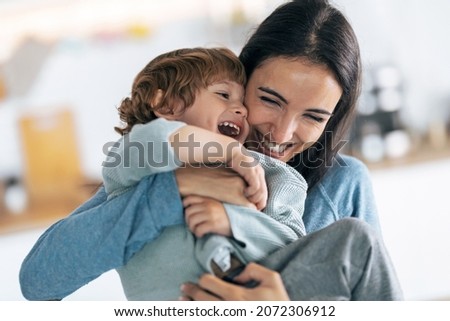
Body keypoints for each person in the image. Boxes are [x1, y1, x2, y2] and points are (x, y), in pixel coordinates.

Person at [19, 0, 402, 301]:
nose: (283, 131)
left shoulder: (341, 185)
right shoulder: (160, 165)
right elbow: (39, 280)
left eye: (313, 116)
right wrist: (179, 187)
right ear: (240, 80)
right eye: (270, 99)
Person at [102, 47, 307, 300]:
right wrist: (231, 151)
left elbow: (296, 247)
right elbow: (159, 138)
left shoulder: (270, 174)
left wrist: (233, 222)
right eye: (224, 94)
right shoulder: (132, 157)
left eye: (242, 102)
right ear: (168, 105)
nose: (242, 110)